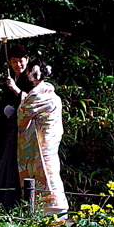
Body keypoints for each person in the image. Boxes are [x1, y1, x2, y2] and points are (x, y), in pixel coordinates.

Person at [11, 57, 69, 216]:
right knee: (51, 171)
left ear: (32, 73)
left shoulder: (37, 94)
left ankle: (45, 209)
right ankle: (57, 206)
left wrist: (16, 91)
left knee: (42, 172)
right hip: (50, 139)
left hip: (40, 142)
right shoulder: (51, 93)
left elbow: (22, 115)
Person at [0, 44, 31, 210]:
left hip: (23, 132)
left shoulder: (30, 80)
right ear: (9, 62)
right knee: (4, 166)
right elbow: (2, 108)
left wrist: (16, 90)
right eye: (14, 61)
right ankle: (2, 203)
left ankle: (16, 204)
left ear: (27, 60)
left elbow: (32, 103)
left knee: (17, 167)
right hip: (7, 130)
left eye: (21, 61)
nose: (18, 65)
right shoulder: (9, 80)